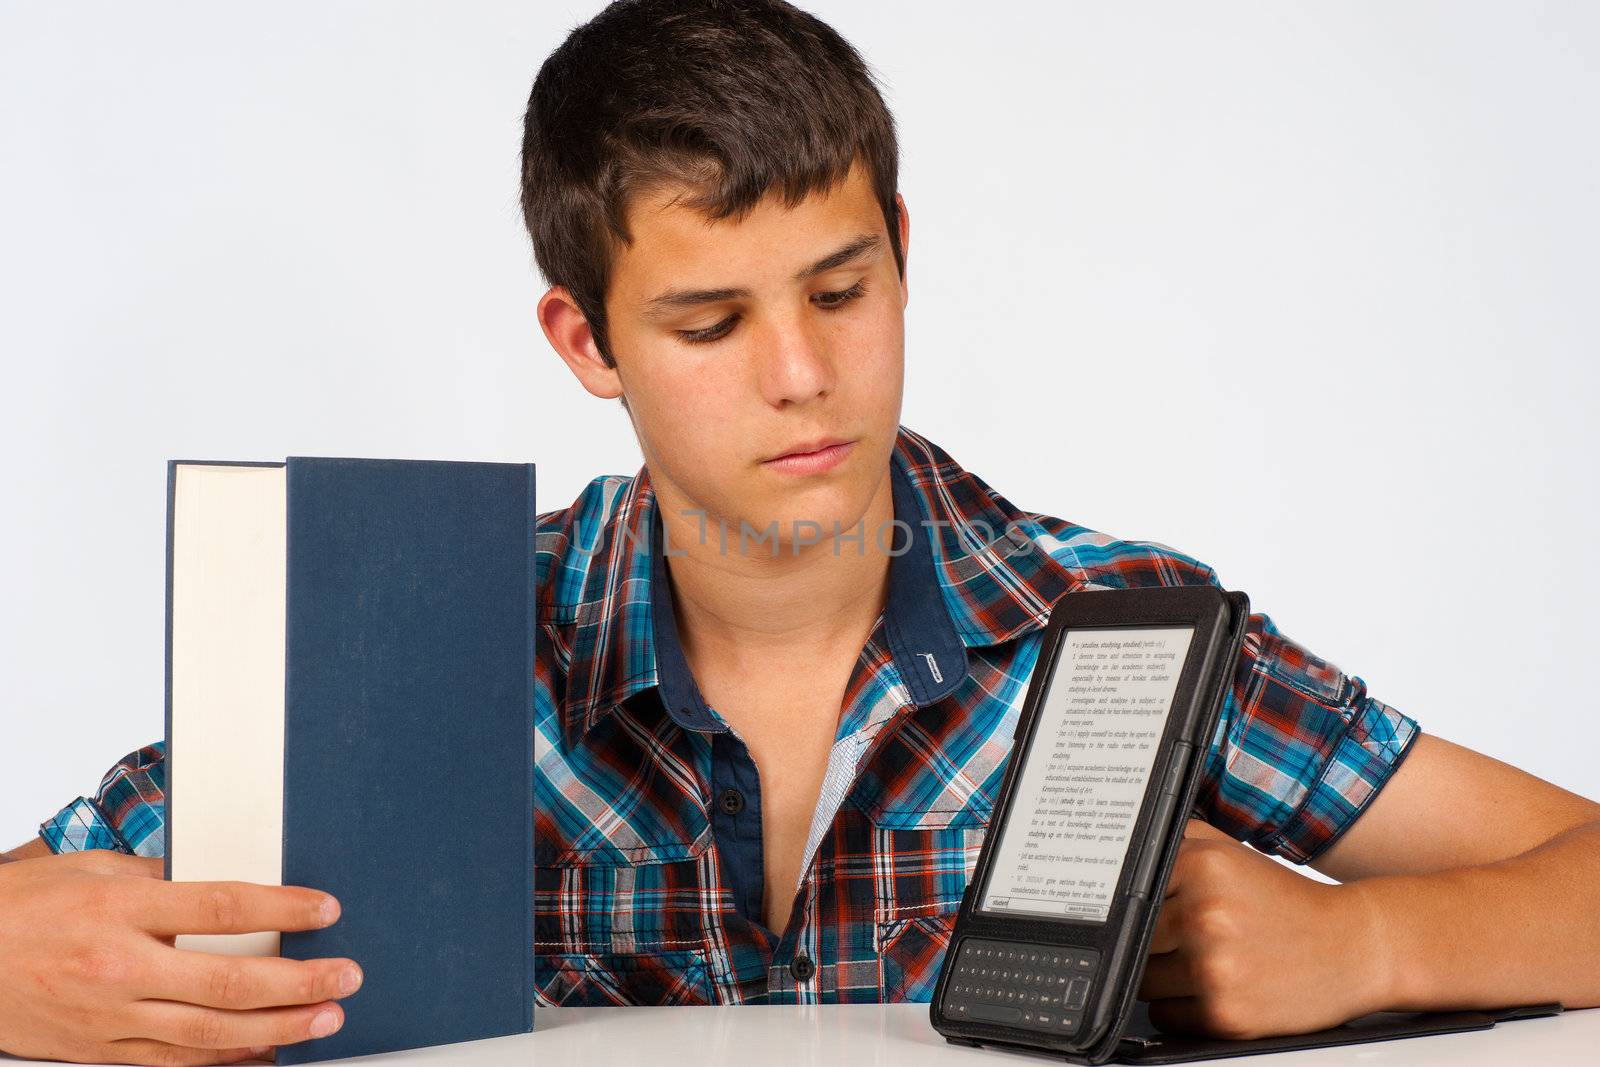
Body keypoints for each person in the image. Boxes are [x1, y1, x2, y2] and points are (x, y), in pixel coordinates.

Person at [5, 1, 1599, 1064]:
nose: (803, 378)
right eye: (708, 324)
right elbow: (42, 908)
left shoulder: (1109, 628)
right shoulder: (425, 636)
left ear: (901, 250)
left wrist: (1367, 942)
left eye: (842, 290)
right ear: (585, 342)